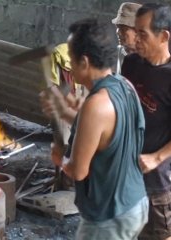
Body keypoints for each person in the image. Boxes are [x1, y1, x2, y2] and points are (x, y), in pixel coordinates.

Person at [51, 18, 148, 240]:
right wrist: (65, 113)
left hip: (109, 216)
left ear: (84, 62)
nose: (69, 64)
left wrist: (60, 159)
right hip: (135, 203)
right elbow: (102, 132)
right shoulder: (125, 85)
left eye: (71, 59)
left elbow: (78, 171)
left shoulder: (95, 105)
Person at [121, 3, 171, 240]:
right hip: (126, 173)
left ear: (163, 36)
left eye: (143, 33)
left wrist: (157, 157)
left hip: (158, 180)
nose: (136, 39)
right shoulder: (131, 64)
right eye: (135, 31)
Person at [112, 2, 141, 74]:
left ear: (137, 32)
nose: (118, 32)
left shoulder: (151, 60)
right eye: (117, 27)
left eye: (123, 28)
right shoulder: (115, 54)